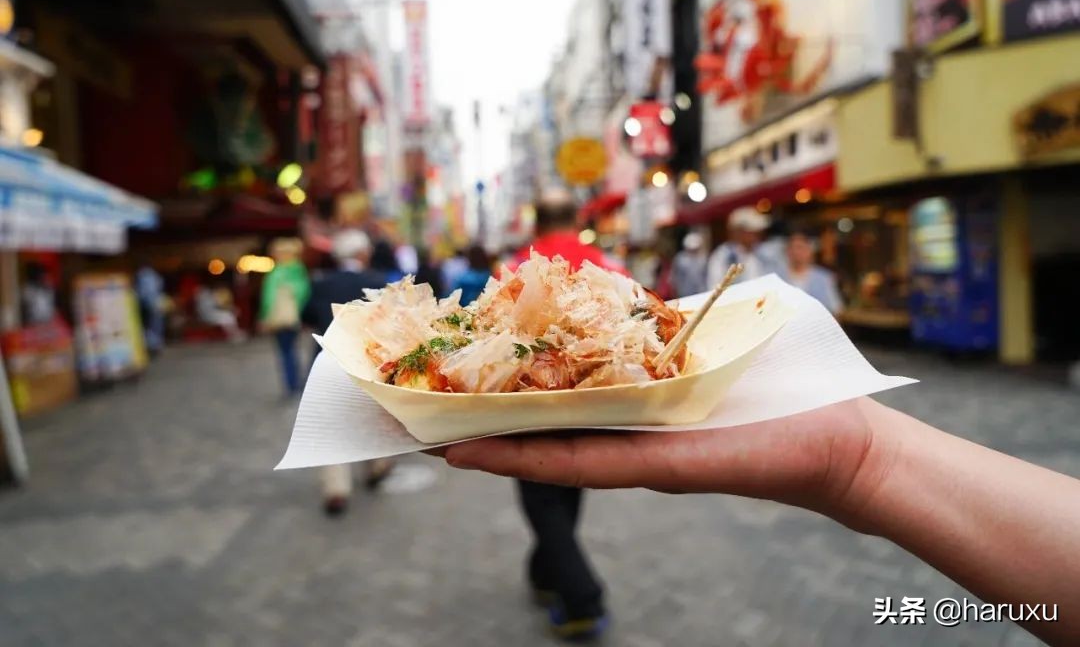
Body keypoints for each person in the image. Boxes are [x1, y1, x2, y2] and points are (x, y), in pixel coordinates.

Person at [439, 396, 1080, 645]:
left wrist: (862, 457)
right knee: (558, 501)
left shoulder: (526, 265)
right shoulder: (593, 261)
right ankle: (565, 584)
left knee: (547, 501)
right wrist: (865, 459)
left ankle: (575, 593)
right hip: (595, 418)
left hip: (528, 417)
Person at [503, 195, 623, 640]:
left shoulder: (517, 265)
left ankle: (582, 598)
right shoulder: (602, 263)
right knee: (565, 491)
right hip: (593, 402)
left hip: (529, 403)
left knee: (540, 498)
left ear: (535, 223)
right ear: (575, 221)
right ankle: (544, 575)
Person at [302, 229, 393, 517]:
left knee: (330, 427)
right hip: (366, 362)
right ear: (363, 253)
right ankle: (376, 466)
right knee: (370, 417)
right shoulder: (375, 281)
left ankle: (336, 490)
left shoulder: (321, 283)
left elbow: (306, 316)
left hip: (327, 361)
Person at [259, 238, 311, 397]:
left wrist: (264, 316)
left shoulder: (277, 273)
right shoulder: (299, 270)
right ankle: (297, 382)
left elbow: (268, 298)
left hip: (279, 319)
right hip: (293, 318)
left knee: (285, 351)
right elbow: (304, 294)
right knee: (293, 350)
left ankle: (291, 384)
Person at [706, 206, 781, 287]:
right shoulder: (723, 256)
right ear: (738, 232)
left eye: (757, 232)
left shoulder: (763, 252)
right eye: (751, 232)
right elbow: (714, 286)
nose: (756, 236)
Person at [782, 229, 842, 315]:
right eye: (791, 247)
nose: (795, 252)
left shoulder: (824, 278)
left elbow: (836, 309)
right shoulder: (777, 276)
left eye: (800, 247)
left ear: (809, 250)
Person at [135, 264, 166, 356]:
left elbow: (142, 292)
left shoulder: (141, 274)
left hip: (146, 304)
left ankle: (151, 345)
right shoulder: (155, 275)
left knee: (147, 325)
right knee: (156, 325)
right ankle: (155, 345)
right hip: (156, 303)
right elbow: (159, 287)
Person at [672, 232, 709, 297]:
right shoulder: (680, 259)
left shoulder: (704, 258)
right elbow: (675, 277)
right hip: (685, 294)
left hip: (702, 294)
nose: (694, 251)